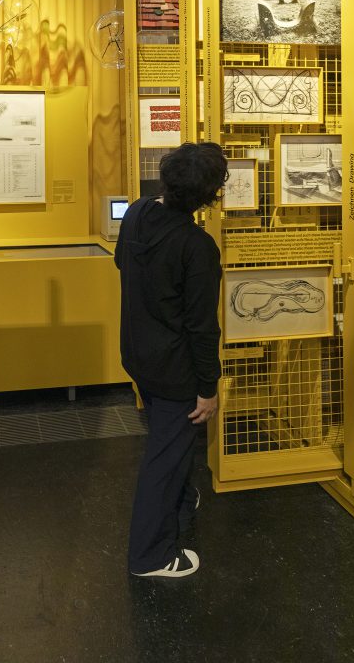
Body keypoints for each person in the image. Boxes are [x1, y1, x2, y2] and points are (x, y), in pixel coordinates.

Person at [115, 141, 228, 580]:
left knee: (172, 441)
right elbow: (202, 327)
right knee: (164, 455)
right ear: (208, 196)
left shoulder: (138, 213)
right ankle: (150, 555)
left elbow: (124, 267)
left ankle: (183, 501)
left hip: (137, 353)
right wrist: (208, 387)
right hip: (174, 368)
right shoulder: (196, 247)